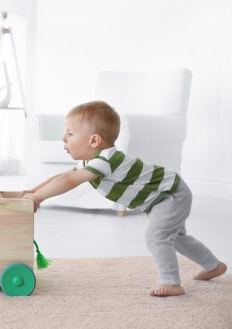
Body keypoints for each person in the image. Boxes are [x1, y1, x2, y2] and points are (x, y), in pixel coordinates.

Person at [22, 100, 227, 297]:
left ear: (94, 140)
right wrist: (33, 192)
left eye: (70, 133)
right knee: (178, 239)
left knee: (156, 237)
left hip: (171, 194)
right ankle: (213, 266)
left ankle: (171, 282)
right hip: (164, 196)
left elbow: (69, 180)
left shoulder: (106, 161)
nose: (63, 138)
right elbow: (61, 177)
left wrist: (38, 198)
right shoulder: (91, 160)